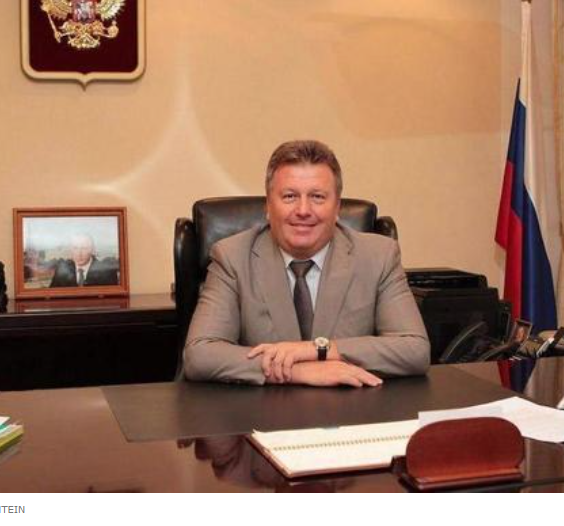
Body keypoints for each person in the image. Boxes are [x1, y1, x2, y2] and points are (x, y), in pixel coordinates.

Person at [184, 140, 430, 387]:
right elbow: (200, 355)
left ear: (337, 207)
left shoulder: (378, 256)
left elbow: (414, 350)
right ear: (268, 206)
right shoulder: (232, 257)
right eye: (290, 196)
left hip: (352, 406)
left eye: (317, 197)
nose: (303, 210)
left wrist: (318, 350)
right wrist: (296, 371)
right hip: (264, 407)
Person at [49, 233, 119, 287]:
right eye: (75, 248)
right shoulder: (61, 270)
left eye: (84, 248)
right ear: (71, 250)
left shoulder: (107, 273)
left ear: (92, 250)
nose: (79, 254)